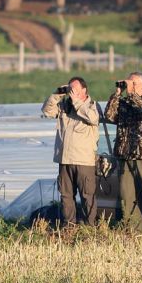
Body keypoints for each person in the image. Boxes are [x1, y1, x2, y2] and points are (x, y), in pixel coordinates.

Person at [104, 71, 142, 231]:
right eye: (129, 82)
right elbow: (109, 116)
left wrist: (131, 94)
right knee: (127, 195)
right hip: (125, 155)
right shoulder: (124, 102)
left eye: (133, 83)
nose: (130, 85)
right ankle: (133, 229)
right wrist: (117, 94)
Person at [41, 76, 99, 226]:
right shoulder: (64, 106)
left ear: (84, 90)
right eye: (69, 89)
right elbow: (47, 111)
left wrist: (77, 103)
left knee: (87, 195)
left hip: (83, 161)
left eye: (74, 90)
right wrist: (57, 94)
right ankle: (69, 226)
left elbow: (93, 118)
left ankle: (90, 226)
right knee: (66, 195)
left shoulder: (91, 106)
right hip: (65, 159)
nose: (71, 93)